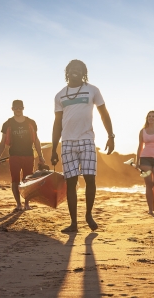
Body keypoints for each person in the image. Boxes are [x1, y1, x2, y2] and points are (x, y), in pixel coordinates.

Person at [51, 59, 114, 232]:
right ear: (67, 72)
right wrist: (54, 148)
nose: (75, 71)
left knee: (90, 179)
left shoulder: (93, 90)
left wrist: (111, 135)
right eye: (72, 69)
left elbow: (104, 114)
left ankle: (88, 215)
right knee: (70, 183)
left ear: (84, 72)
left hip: (87, 140)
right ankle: (73, 223)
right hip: (67, 143)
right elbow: (57, 123)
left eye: (79, 69)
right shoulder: (60, 95)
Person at [0, 99, 46, 211]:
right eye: (16, 107)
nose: (18, 109)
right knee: (15, 180)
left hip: (29, 155)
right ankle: (18, 204)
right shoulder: (8, 123)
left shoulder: (31, 122)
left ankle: (27, 203)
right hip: (14, 156)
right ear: (12, 109)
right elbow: (3, 141)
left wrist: (41, 156)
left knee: (27, 180)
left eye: (20, 107)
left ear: (23, 108)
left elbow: (36, 140)